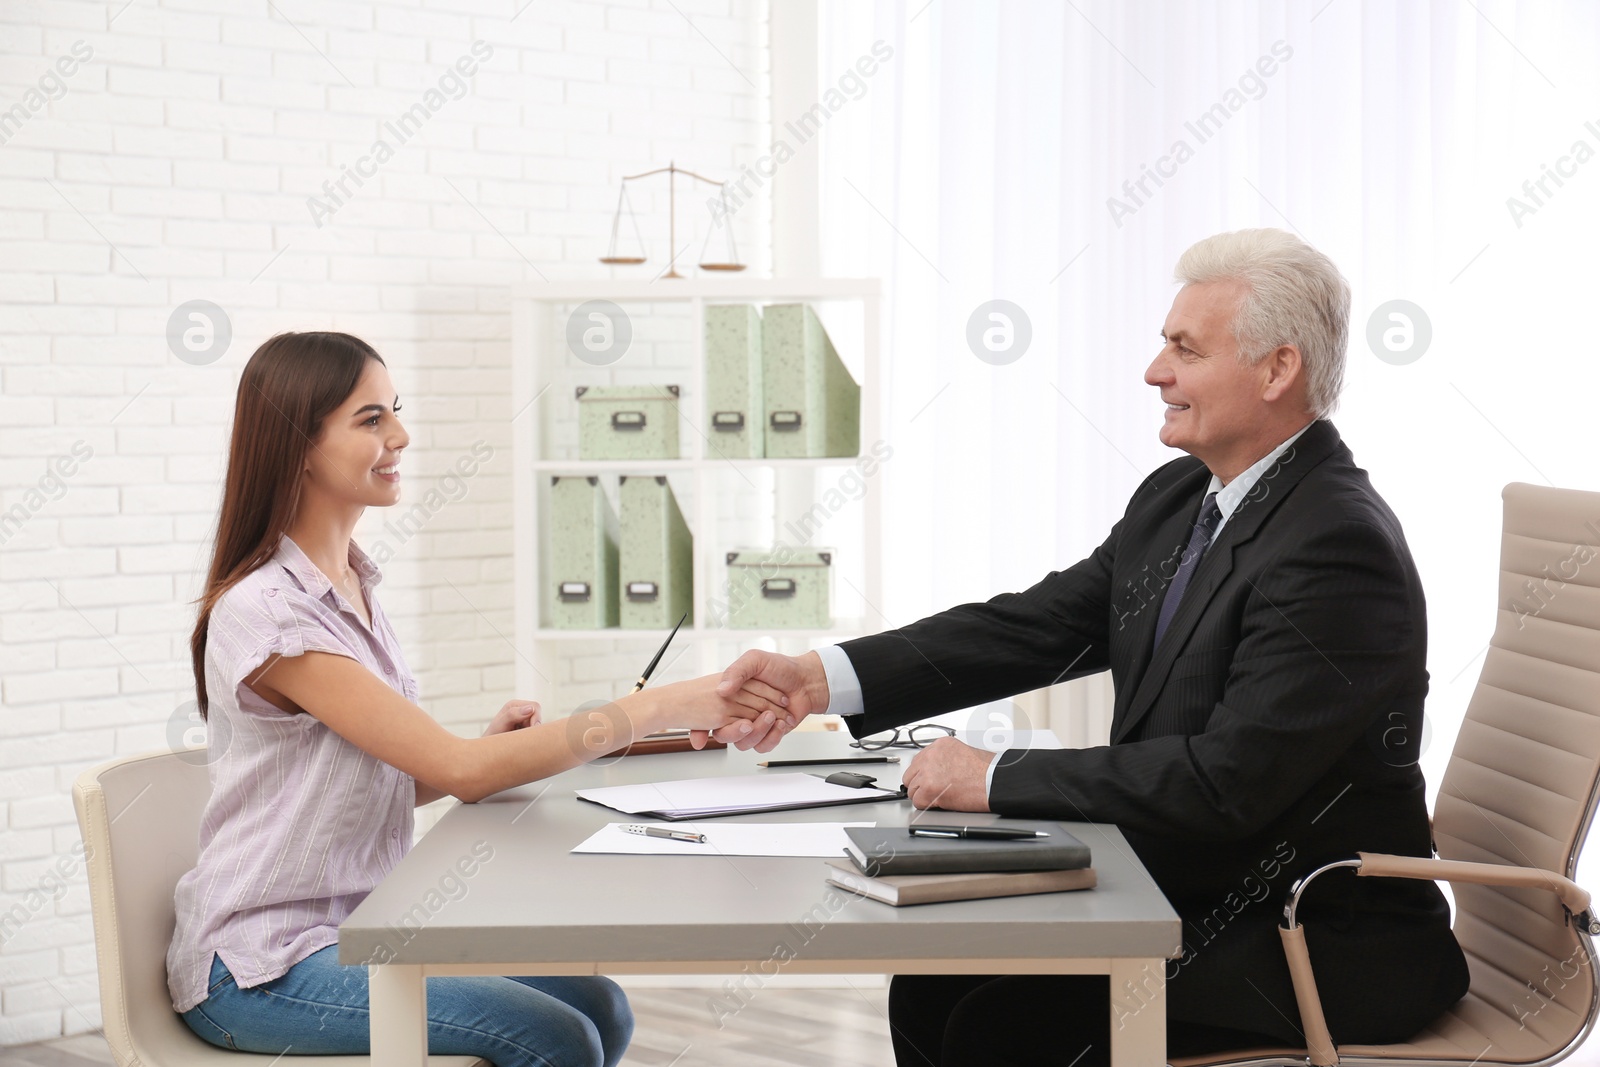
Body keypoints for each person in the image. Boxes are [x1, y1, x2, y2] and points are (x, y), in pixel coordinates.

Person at [701, 230, 1471, 1066]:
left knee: (1003, 1023)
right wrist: (820, 679)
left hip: (1313, 938)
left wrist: (991, 778)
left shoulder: (1335, 546)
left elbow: (1227, 783)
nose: (1154, 371)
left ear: (1277, 369)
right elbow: (1035, 626)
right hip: (1196, 891)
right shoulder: (1182, 496)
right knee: (933, 981)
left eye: (1184, 348)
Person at [168, 331, 786, 1065]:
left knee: (600, 1006)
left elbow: (384, 779)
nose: (400, 435)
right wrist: (653, 706)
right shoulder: (271, 613)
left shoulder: (353, 589)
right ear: (299, 443)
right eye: (371, 420)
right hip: (259, 969)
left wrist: (494, 749)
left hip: (360, 930)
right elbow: (459, 771)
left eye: (394, 411)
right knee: (555, 1038)